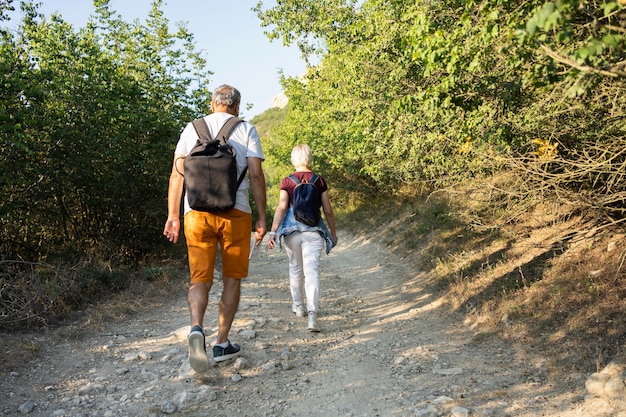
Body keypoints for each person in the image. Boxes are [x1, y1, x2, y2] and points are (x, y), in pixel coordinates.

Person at [163, 85, 267, 373]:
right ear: (236, 106)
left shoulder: (191, 128)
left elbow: (177, 173)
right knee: (232, 278)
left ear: (212, 105)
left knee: (200, 279)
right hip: (236, 213)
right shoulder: (246, 129)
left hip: (195, 214)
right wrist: (262, 217)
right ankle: (222, 343)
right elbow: (256, 175)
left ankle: (197, 328)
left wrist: (173, 216)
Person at [267, 144, 338, 332]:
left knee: (295, 269)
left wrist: (273, 231)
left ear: (293, 159)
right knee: (312, 271)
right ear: (310, 158)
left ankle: (298, 307)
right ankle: (312, 314)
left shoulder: (287, 181)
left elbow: (282, 207)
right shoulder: (319, 180)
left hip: (291, 232)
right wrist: (333, 232)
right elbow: (328, 210)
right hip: (313, 232)